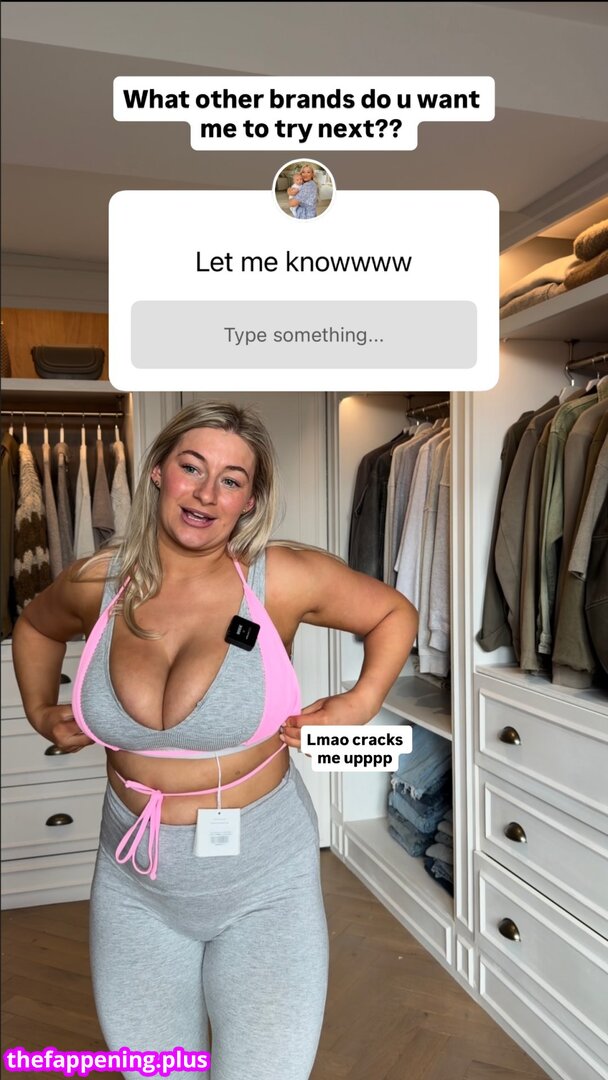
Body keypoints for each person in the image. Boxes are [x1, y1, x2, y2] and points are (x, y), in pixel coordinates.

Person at [12, 401, 417, 1080]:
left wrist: (360, 701)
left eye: (231, 479)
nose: (206, 493)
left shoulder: (279, 579)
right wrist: (37, 710)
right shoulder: (97, 581)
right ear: (157, 472)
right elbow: (34, 625)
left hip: (265, 883)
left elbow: (392, 613)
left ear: (250, 499)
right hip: (135, 883)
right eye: (192, 468)